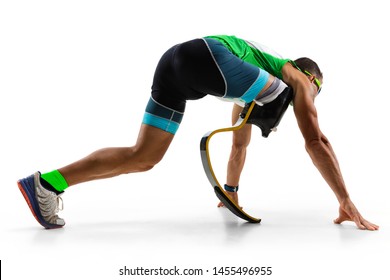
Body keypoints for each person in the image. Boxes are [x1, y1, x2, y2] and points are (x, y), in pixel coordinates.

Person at [17, 35, 379, 231]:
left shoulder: (252, 82)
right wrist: (346, 199)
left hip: (176, 62)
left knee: (143, 157)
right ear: (313, 79)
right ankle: (344, 200)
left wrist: (230, 191)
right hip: (208, 55)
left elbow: (239, 142)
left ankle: (47, 182)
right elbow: (316, 141)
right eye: (318, 91)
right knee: (283, 97)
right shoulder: (294, 79)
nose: (313, 98)